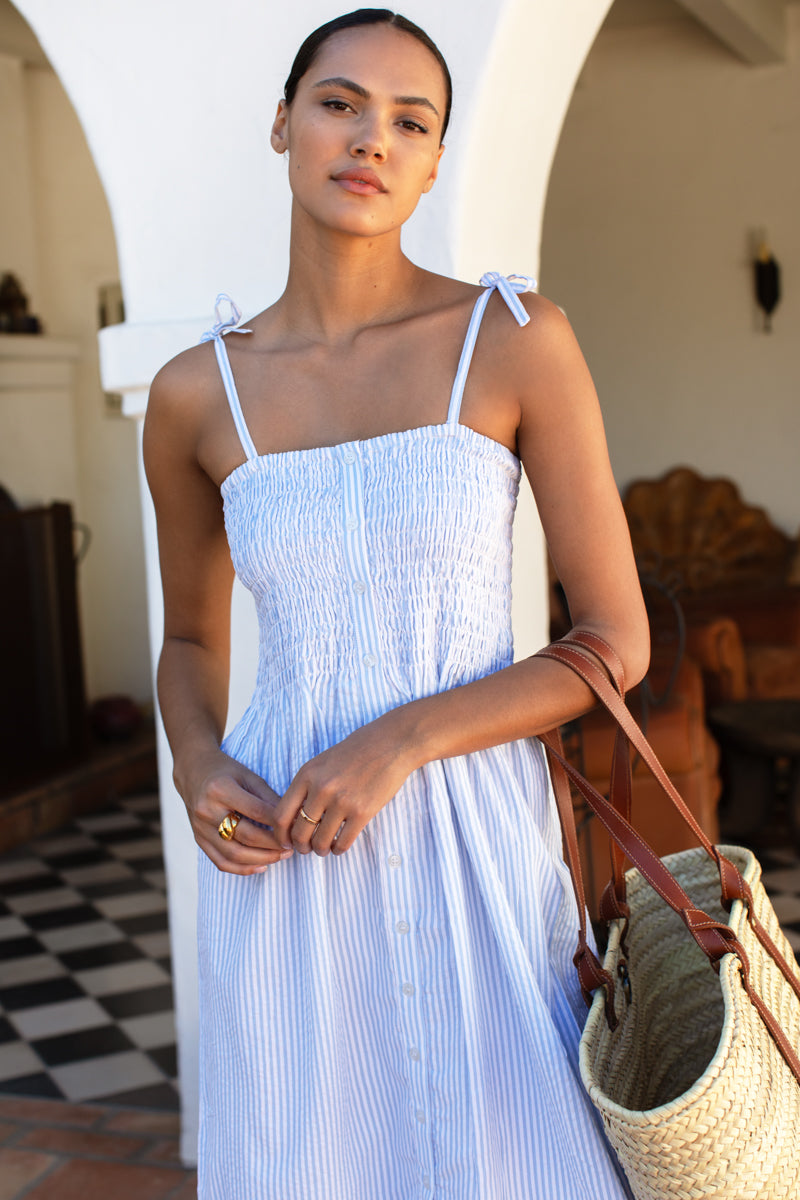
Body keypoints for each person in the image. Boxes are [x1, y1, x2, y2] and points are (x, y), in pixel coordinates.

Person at [144, 9, 648, 1198]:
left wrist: (400, 740)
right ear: (282, 124)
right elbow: (188, 640)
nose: (371, 137)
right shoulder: (193, 395)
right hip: (288, 852)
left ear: (432, 163)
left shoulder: (514, 340)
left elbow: (610, 642)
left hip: (477, 836)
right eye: (338, 103)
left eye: (409, 121)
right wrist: (196, 760)